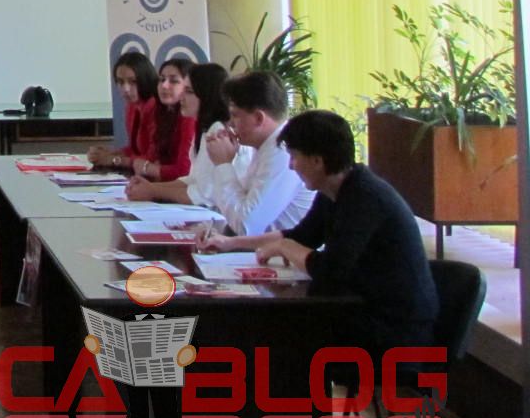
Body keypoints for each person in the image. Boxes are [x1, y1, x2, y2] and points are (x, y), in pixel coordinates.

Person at [203, 109, 438, 360]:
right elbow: (302, 236)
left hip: (393, 330)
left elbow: (330, 271)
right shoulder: (336, 188)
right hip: (364, 307)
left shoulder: (364, 197)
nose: (291, 165)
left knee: (268, 337)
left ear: (317, 161)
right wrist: (231, 243)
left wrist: (285, 247)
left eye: (294, 157)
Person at [200, 70, 315, 234]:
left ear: (259, 118)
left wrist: (223, 165)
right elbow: (239, 208)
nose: (230, 123)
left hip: (282, 250)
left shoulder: (283, 152)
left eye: (235, 115)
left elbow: (246, 226)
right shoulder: (265, 146)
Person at [125, 62, 237, 206]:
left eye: (189, 92)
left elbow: (201, 196)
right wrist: (150, 187)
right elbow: (192, 179)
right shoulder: (205, 128)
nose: (181, 97)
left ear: (207, 95)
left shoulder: (218, 132)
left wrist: (153, 191)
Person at [89, 54, 196, 179]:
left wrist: (116, 160)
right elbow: (138, 151)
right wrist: (111, 153)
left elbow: (178, 168)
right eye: (162, 79)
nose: (126, 89)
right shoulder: (142, 108)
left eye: (133, 81)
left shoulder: (184, 116)